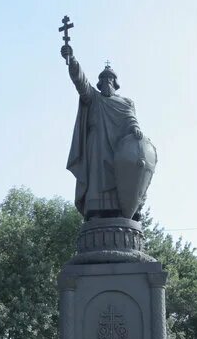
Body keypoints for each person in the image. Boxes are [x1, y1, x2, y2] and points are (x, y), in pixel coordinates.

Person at [61, 44, 147, 220]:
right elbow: (80, 81)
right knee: (97, 179)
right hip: (98, 146)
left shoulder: (126, 102)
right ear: (99, 83)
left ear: (115, 83)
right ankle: (96, 210)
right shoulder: (93, 98)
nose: (107, 81)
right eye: (104, 78)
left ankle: (124, 210)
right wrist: (72, 61)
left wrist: (135, 128)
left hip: (119, 149)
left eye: (110, 78)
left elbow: (131, 118)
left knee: (121, 178)